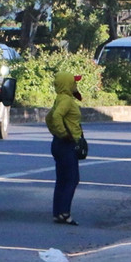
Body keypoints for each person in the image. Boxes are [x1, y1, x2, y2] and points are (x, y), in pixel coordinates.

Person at [45, 71, 83, 225]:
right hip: (66, 144)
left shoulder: (60, 98)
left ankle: (58, 213)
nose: (75, 85)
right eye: (74, 82)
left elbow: (49, 118)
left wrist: (56, 133)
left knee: (62, 180)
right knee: (72, 179)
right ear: (68, 84)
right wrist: (63, 134)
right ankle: (65, 212)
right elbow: (55, 117)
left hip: (59, 143)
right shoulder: (66, 100)